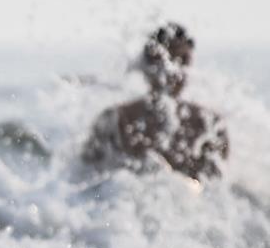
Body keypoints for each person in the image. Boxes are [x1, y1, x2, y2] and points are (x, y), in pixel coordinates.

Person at [81, 22, 229, 181]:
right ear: (148, 64)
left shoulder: (208, 125)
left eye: (183, 61)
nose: (175, 71)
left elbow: (217, 188)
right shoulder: (115, 121)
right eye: (166, 60)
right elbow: (84, 179)